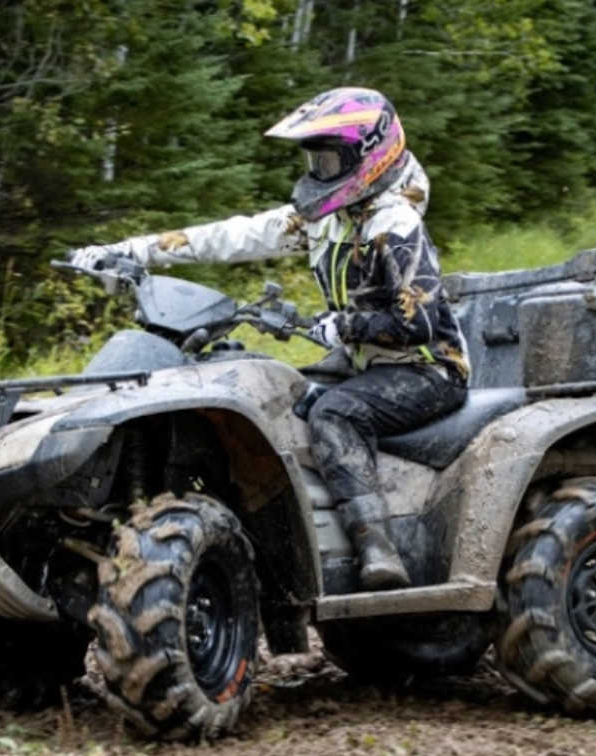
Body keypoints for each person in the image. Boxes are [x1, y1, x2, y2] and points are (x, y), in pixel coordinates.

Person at [69, 87, 469, 591]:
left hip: (427, 367)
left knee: (334, 412)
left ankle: (377, 546)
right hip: (367, 362)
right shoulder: (326, 220)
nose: (321, 170)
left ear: (371, 155)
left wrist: (343, 328)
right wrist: (129, 250)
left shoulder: (395, 223)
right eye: (316, 159)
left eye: (332, 158)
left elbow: (421, 321)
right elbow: (232, 235)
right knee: (278, 395)